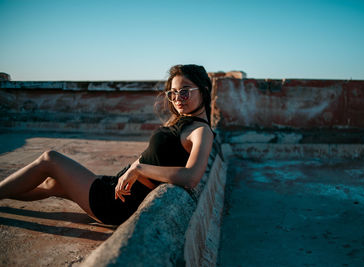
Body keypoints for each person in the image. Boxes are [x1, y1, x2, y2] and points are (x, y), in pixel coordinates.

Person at [0, 64, 215, 225]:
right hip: (113, 187)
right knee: (51, 185)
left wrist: (138, 169)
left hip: (117, 203)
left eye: (185, 90)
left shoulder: (201, 131)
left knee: (50, 159)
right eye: (173, 92)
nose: (177, 98)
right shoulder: (183, 121)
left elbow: (191, 177)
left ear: (203, 90)